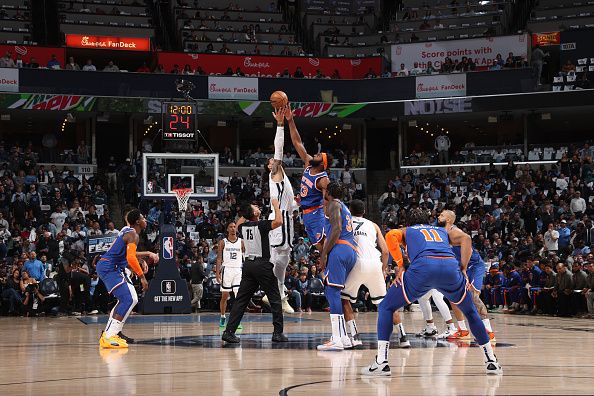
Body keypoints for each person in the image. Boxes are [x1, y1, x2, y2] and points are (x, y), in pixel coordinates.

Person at [361, 208, 502, 376]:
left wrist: (400, 265)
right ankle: (491, 361)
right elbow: (466, 238)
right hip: (450, 268)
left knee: (386, 307)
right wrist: (463, 267)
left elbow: (391, 235)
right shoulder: (442, 231)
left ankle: (381, 363)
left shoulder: (408, 230)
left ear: (407, 221)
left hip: (423, 269)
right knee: (471, 312)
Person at [340, 199, 410, 349]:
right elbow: (385, 251)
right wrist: (383, 269)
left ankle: (355, 336)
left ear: (349, 211)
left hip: (356, 263)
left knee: (344, 299)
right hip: (375, 264)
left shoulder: (345, 222)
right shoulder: (373, 225)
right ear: (364, 211)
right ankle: (403, 337)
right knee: (386, 304)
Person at [222, 199, 288, 344]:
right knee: (275, 299)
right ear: (253, 213)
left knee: (241, 300)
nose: (258, 207)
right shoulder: (262, 225)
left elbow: (238, 223)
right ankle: (278, 333)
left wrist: (247, 212)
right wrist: (276, 206)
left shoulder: (243, 226)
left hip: (248, 266)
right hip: (262, 265)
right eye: (255, 207)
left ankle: (229, 331)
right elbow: (279, 221)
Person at [96, 210, 158, 348]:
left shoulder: (129, 232)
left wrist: (142, 258)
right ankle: (109, 336)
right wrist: (142, 277)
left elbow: (129, 255)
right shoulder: (133, 234)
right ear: (137, 221)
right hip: (110, 267)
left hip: (110, 266)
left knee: (127, 299)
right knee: (129, 299)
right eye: (143, 218)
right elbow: (130, 257)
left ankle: (110, 333)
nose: (145, 220)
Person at [438, 210, 495, 342]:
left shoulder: (455, 232)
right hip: (460, 266)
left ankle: (489, 331)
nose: (438, 216)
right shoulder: (441, 232)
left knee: (473, 296)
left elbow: (468, 245)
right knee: (453, 296)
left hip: (473, 266)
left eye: (441, 215)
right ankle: (463, 330)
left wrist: (463, 268)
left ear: (448, 220)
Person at [317, 182, 357, 351]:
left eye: (325, 190)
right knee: (333, 291)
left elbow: (337, 229)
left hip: (340, 249)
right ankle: (343, 337)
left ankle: (338, 338)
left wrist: (324, 253)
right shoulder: (344, 206)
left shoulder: (333, 204)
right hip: (350, 250)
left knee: (332, 291)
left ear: (330, 192)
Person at [286, 103, 332, 250]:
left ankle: (331, 271)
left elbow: (328, 201)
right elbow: (297, 142)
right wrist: (290, 120)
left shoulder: (323, 178)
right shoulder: (308, 164)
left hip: (316, 214)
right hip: (306, 214)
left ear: (322, 163)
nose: (315, 155)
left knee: (324, 246)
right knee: (318, 247)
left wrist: (325, 219)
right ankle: (327, 270)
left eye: (319, 155)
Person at [266, 106, 297, 314]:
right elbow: (279, 150)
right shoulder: (275, 175)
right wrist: (280, 124)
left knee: (283, 260)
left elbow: (292, 203)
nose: (272, 160)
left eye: (273, 160)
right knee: (276, 258)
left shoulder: (283, 179)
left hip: (286, 218)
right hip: (279, 220)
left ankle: (277, 293)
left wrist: (298, 203)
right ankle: (275, 293)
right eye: (270, 161)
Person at [216, 222, 245, 327]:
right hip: (227, 270)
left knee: (238, 297)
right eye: (231, 227)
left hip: (238, 270)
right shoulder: (222, 242)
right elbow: (219, 258)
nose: (233, 229)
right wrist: (217, 273)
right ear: (227, 229)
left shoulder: (241, 242)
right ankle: (223, 316)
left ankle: (236, 320)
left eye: (234, 227)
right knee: (225, 296)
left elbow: (245, 257)